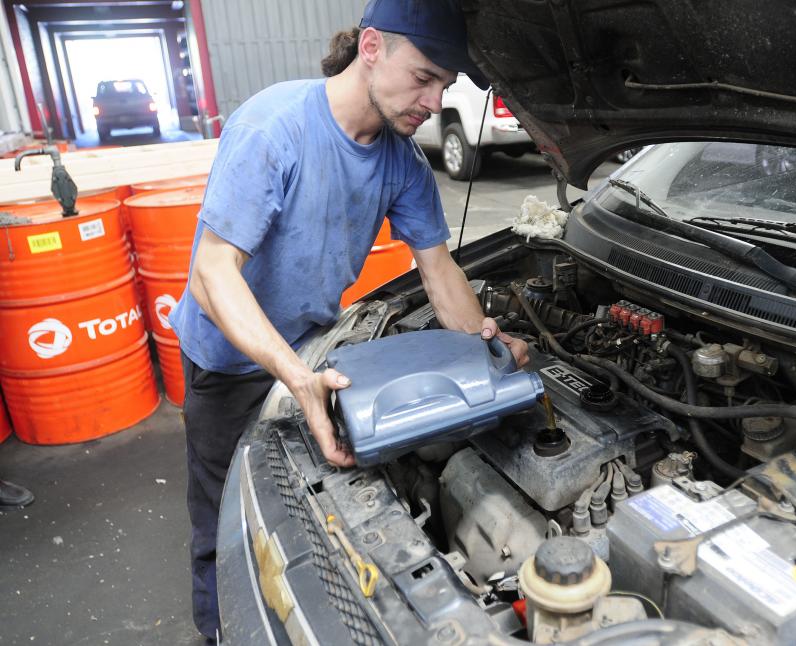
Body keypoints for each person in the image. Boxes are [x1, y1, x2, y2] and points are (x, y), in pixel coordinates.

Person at [167, 0, 528, 640]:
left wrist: (489, 351)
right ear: (371, 48)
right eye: (422, 77)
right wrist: (297, 379)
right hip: (228, 359)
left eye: (445, 85)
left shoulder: (401, 162)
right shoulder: (274, 128)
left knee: (318, 503)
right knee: (225, 521)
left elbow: (439, 272)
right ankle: (216, 630)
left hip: (309, 346)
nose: (434, 99)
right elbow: (212, 273)